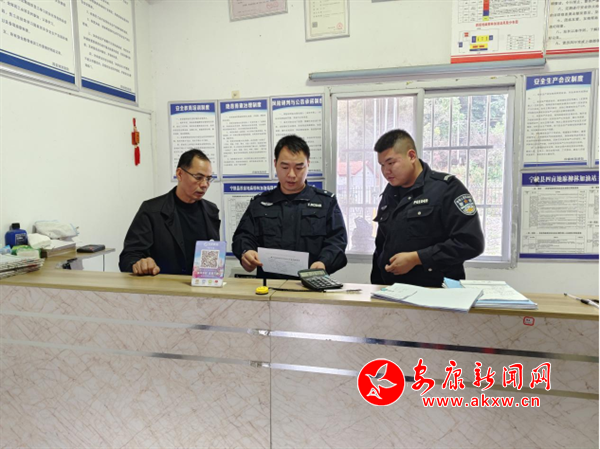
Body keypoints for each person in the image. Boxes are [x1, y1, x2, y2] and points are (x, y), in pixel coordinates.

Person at [371, 129, 484, 287]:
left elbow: (470, 243)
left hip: (436, 291)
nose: (385, 171)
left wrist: (417, 258)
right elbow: (382, 245)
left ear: (411, 156)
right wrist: (376, 286)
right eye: (382, 165)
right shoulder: (390, 193)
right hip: (392, 290)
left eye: (391, 163)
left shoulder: (447, 189)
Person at [232, 135, 348, 279]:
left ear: (308, 164)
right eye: (285, 167)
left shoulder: (326, 202)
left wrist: (324, 263)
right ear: (275, 164)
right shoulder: (260, 203)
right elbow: (243, 236)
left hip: (310, 283)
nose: (291, 174)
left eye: (299, 167)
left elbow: (337, 241)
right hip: (269, 285)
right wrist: (246, 252)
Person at [119, 149, 220, 276]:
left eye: (208, 179)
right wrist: (139, 263)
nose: (204, 184)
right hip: (163, 286)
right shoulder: (151, 210)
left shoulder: (211, 211)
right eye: (198, 177)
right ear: (180, 174)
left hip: (202, 285)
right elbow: (129, 256)